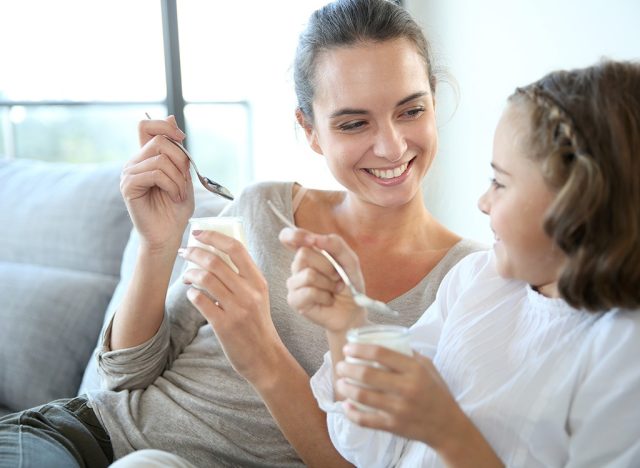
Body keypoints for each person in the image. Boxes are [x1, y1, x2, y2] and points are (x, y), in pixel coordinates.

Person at [0, 0, 483, 466]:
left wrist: (261, 350)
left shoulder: (470, 284)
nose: (391, 145)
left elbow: (378, 461)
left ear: (434, 101)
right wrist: (158, 245)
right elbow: (126, 375)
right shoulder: (261, 207)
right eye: (354, 123)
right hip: (81, 438)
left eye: (411, 111)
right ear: (310, 130)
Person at [283, 59, 640, 467]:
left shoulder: (622, 350)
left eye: (500, 183)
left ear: (580, 206)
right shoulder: (477, 280)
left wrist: (448, 431)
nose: (483, 203)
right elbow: (370, 447)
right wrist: (345, 326)